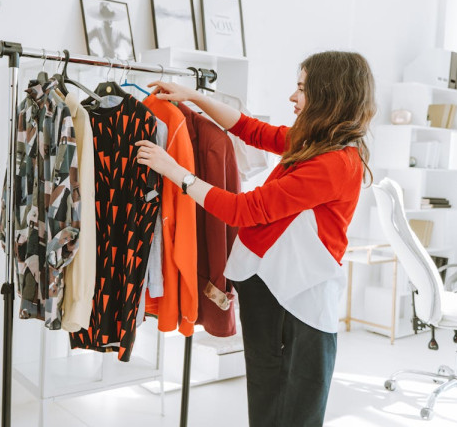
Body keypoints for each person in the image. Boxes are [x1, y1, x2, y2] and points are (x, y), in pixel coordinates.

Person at [135, 51, 376, 427]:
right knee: (264, 391)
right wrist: (194, 96)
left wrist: (176, 172)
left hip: (303, 298)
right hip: (266, 282)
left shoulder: (335, 163)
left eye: (301, 89)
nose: (292, 98)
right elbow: (252, 131)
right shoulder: (315, 142)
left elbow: (243, 210)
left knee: (298, 406)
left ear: (329, 96)